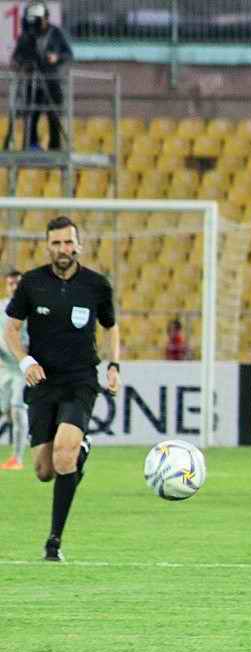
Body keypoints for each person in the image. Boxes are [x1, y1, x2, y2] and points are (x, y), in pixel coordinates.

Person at [3, 217, 120, 561]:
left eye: (68, 242)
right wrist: (25, 361)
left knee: (64, 455)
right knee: (44, 470)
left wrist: (113, 365)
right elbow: (11, 330)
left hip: (80, 380)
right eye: (56, 243)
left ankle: (53, 542)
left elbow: (110, 327)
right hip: (42, 382)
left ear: (78, 245)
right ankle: (81, 448)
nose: (63, 249)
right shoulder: (32, 283)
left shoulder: (96, 285)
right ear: (48, 246)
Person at [8, 2, 72, 151]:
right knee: (31, 116)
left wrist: (57, 57)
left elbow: (68, 54)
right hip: (33, 83)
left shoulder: (55, 33)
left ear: (45, 18)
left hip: (52, 82)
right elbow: (16, 58)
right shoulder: (26, 35)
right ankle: (31, 146)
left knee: (54, 117)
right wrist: (23, 64)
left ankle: (55, 148)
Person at [0, 268, 29, 469]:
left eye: (18, 283)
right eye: (11, 283)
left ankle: (17, 459)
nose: (14, 287)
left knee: (18, 410)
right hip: (4, 367)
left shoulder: (31, 309)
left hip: (22, 368)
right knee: (7, 411)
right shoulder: (1, 308)